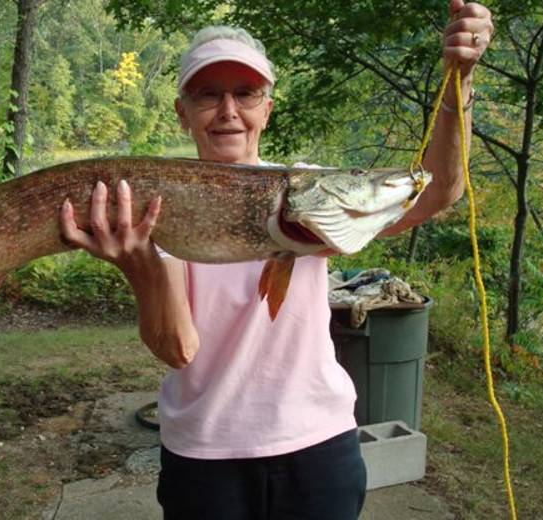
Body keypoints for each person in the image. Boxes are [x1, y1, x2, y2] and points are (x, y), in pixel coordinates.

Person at [60, 1, 493, 518]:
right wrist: (141, 266)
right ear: (182, 111)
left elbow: (439, 187)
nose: (228, 110)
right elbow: (177, 349)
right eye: (207, 94)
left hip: (319, 445)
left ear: (267, 108)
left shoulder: (309, 193)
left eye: (245, 94)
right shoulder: (156, 209)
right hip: (205, 454)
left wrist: (459, 82)